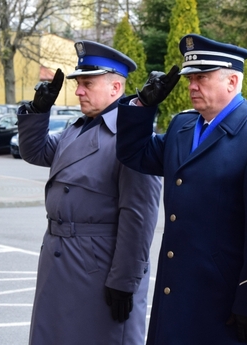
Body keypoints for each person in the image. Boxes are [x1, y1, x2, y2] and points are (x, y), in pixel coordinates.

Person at [115, 33, 247, 344]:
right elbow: (134, 154)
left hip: (223, 300)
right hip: (177, 292)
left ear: (232, 82)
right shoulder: (182, 128)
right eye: (190, 78)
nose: (192, 85)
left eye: (202, 77)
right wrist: (143, 105)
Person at [17, 40, 162, 345]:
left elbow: (138, 217)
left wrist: (125, 280)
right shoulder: (77, 127)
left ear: (115, 88)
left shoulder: (132, 138)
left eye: (87, 83)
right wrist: (38, 112)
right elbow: (36, 152)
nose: (78, 91)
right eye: (78, 83)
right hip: (60, 262)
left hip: (97, 268)